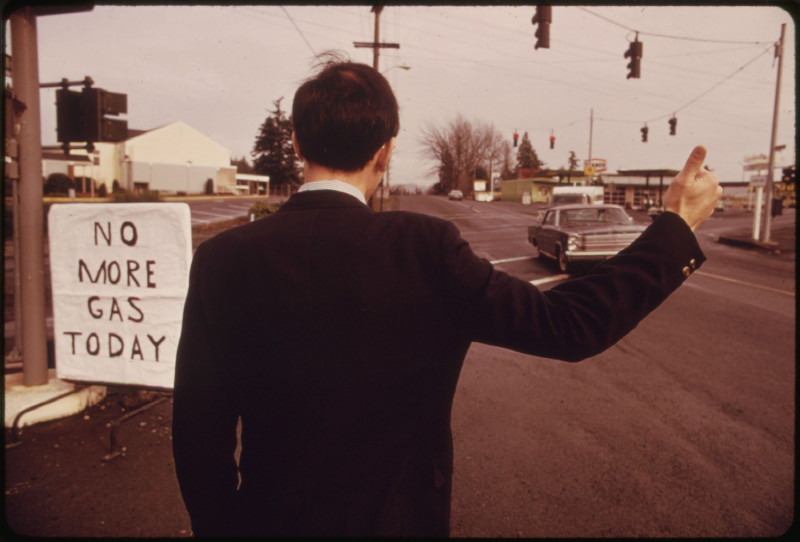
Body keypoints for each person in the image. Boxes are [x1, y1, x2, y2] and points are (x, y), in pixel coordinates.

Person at [172, 57, 721, 537]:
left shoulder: (223, 258)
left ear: (296, 142)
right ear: (386, 152)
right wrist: (674, 228)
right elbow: (568, 326)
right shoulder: (423, 248)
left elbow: (199, 432)